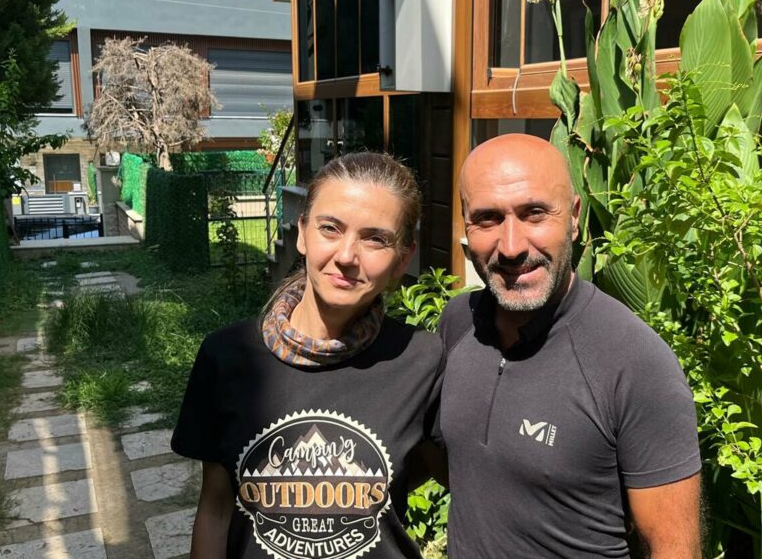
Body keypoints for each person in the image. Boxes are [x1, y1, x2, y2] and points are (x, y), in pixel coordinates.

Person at [438, 133, 702, 558]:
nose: (512, 246)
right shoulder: (458, 323)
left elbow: (675, 549)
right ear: (466, 225)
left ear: (575, 218)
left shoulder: (634, 362)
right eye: (487, 219)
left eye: (534, 213)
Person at [172, 152, 444, 559]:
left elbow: (467, 480)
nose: (347, 256)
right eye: (330, 228)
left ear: (402, 258)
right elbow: (215, 507)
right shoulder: (226, 357)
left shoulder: (421, 359)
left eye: (375, 239)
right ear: (302, 232)